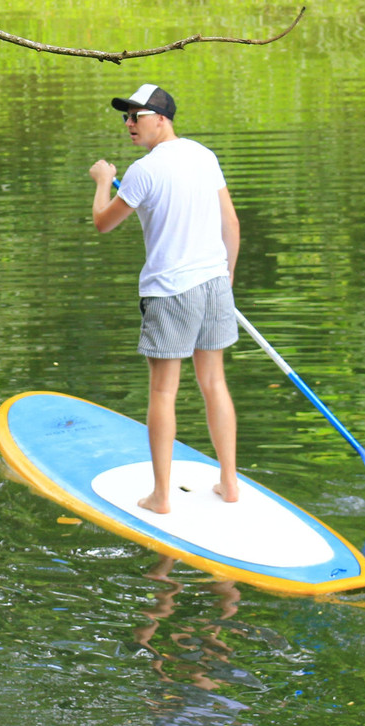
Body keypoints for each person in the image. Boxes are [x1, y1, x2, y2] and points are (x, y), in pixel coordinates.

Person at [88, 84, 241, 514]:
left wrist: (103, 182)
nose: (129, 123)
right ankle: (229, 483)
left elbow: (103, 223)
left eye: (136, 116)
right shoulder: (204, 156)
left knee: (163, 391)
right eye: (126, 116)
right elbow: (230, 224)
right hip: (213, 285)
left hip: (171, 291)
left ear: (161, 119)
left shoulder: (143, 171)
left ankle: (160, 497)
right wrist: (225, 277)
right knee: (214, 383)